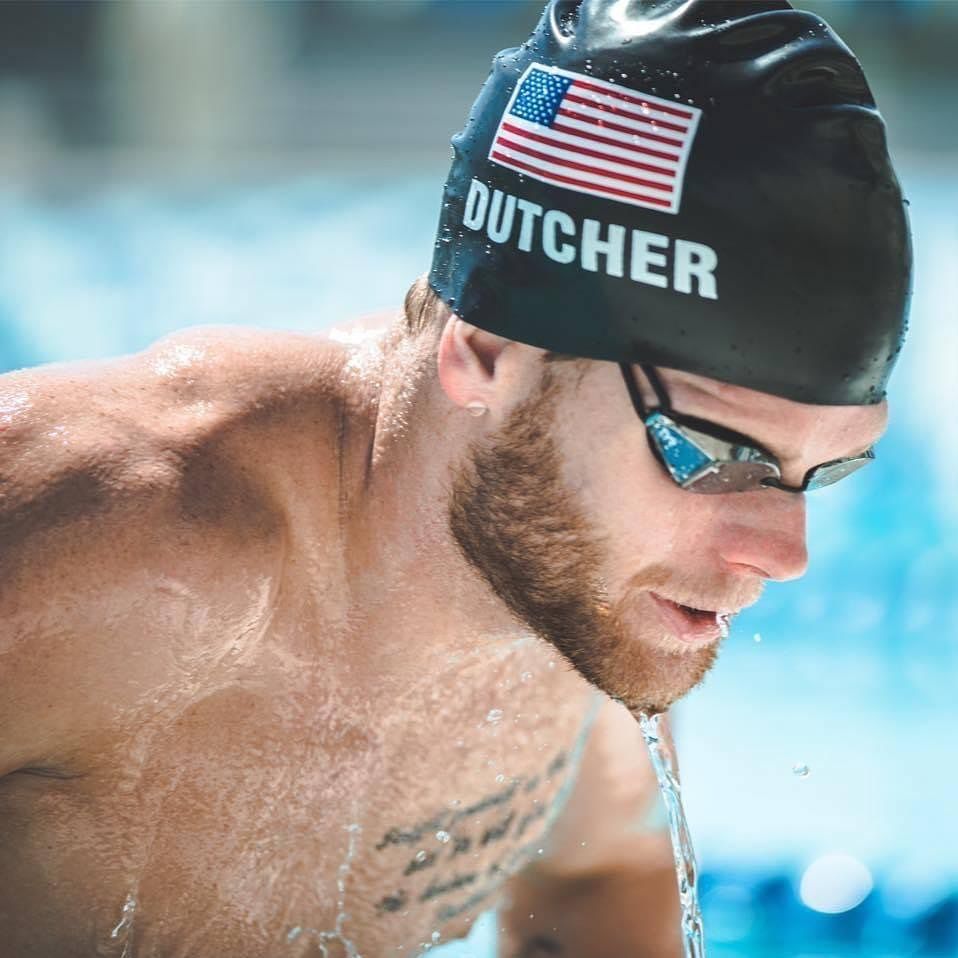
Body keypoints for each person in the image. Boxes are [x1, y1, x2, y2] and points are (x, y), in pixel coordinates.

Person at [0, 1, 910, 956]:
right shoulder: (94, 535)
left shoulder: (583, 592)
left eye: (826, 470)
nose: (786, 554)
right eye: (715, 454)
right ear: (487, 353)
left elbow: (603, 879)